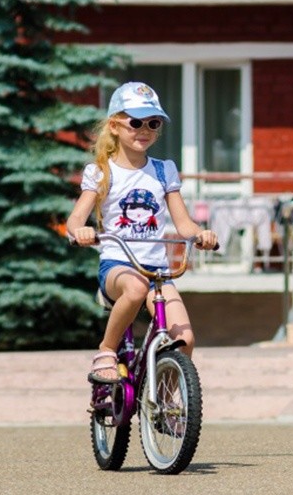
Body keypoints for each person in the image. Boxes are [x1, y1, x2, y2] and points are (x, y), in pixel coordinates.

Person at [66, 82, 217, 384]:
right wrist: (80, 232)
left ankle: (170, 401)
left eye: (153, 123)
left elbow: (184, 224)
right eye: (135, 122)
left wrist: (201, 235)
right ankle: (107, 350)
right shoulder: (102, 171)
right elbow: (75, 220)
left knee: (184, 339)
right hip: (118, 268)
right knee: (134, 289)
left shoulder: (163, 170)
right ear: (115, 125)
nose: (144, 130)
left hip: (158, 271)